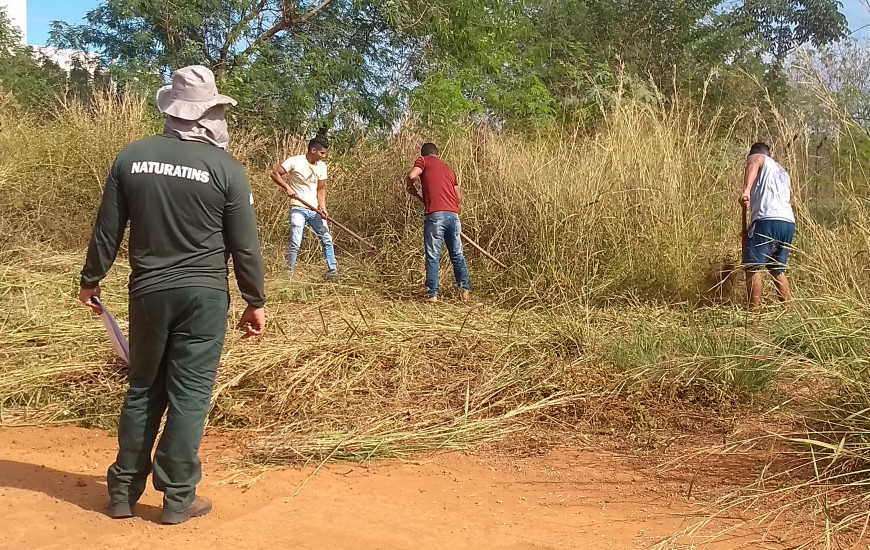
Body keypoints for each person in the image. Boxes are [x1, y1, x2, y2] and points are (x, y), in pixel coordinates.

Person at [78, 65, 266, 525]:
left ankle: (122, 491)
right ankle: (178, 498)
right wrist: (254, 299)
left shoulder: (132, 157)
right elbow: (244, 245)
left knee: (143, 388)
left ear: (172, 110)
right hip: (203, 297)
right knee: (190, 395)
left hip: (148, 291)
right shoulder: (226, 168)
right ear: (208, 113)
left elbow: (108, 228)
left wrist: (91, 279)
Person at [405, 142, 472, 302]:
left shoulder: (423, 161)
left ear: (424, 154)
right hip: (453, 216)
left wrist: (410, 186)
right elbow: (459, 198)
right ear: (438, 154)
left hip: (435, 216)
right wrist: (453, 214)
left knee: (433, 255)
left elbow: (411, 176)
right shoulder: (448, 169)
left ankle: (432, 294)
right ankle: (465, 291)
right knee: (457, 254)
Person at [739, 142, 796, 311]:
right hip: (787, 223)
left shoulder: (758, 157)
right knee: (777, 268)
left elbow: (755, 161)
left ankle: (753, 314)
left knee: (752, 266)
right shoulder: (783, 172)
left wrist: (746, 190)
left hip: (767, 220)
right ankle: (788, 312)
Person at [270, 138, 337, 276]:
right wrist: (287, 187)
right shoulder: (294, 161)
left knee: (326, 238)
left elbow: (321, 189)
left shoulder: (322, 166)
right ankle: (289, 272)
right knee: (296, 241)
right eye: (322, 153)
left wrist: (323, 207)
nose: (323, 156)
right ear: (313, 150)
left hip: (314, 210)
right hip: (298, 208)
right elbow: (274, 174)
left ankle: (333, 271)